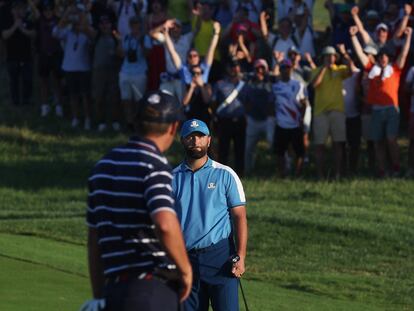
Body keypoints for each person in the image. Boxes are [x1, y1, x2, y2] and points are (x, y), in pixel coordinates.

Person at [81, 90, 192, 311]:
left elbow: (95, 238)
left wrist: (100, 295)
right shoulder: (155, 165)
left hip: (114, 290)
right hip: (151, 290)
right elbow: (164, 224)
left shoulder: (103, 166)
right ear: (173, 127)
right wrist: (185, 270)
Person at [172, 118, 248, 311]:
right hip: (186, 260)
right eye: (190, 137)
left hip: (220, 258)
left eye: (200, 136)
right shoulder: (171, 178)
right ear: (182, 140)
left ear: (209, 140)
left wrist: (241, 255)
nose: (195, 141)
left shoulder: (225, 174)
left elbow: (239, 216)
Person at [351, 26, 412, 177]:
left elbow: (404, 54)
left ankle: (396, 168)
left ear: (389, 58)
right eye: (381, 56)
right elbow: (360, 54)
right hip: (377, 109)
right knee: (378, 141)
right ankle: (382, 170)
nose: (383, 58)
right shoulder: (372, 68)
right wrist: (353, 37)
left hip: (391, 109)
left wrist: (408, 37)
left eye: (386, 56)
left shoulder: (395, 69)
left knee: (391, 140)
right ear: (378, 58)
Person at [311, 45, 351, 179]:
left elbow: (351, 70)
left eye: (332, 56)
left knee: (338, 144)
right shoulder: (316, 70)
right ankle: (320, 174)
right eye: (327, 56)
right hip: (320, 112)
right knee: (319, 145)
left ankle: (338, 174)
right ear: (322, 58)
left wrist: (345, 54)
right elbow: (315, 84)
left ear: (335, 58)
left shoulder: (340, 70)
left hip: (337, 111)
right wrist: (324, 69)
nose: (330, 58)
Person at [272, 59, 308, 177]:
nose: (286, 70)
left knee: (299, 152)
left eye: (288, 68)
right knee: (280, 152)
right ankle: (283, 174)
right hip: (281, 124)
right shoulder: (275, 86)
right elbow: (272, 103)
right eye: (283, 68)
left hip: (295, 123)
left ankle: (297, 174)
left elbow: (304, 103)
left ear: (291, 69)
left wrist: (302, 118)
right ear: (280, 70)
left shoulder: (298, 85)